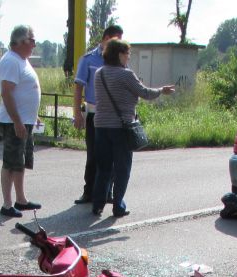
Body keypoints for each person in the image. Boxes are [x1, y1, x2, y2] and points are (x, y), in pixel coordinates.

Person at [91, 39, 175, 217]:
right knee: (122, 168)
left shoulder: (99, 73)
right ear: (119, 54)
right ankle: (118, 206)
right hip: (121, 127)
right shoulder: (126, 74)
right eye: (127, 54)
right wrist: (161, 90)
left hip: (100, 125)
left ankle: (97, 204)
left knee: (104, 168)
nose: (129, 57)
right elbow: (145, 93)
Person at [0, 25, 42, 218]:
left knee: (20, 162)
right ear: (21, 41)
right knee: (11, 163)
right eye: (32, 41)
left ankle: (21, 200)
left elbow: (24, 90)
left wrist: (33, 115)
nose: (34, 45)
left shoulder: (21, 60)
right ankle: (7, 204)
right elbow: (6, 93)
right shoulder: (11, 61)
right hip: (12, 122)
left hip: (24, 120)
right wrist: (17, 121)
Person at [72, 25, 123, 204]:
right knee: (93, 155)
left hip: (114, 116)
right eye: (116, 40)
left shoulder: (119, 59)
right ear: (106, 38)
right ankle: (89, 192)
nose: (119, 44)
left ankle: (107, 192)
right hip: (94, 114)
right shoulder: (88, 59)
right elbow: (78, 87)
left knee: (112, 156)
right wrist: (77, 113)